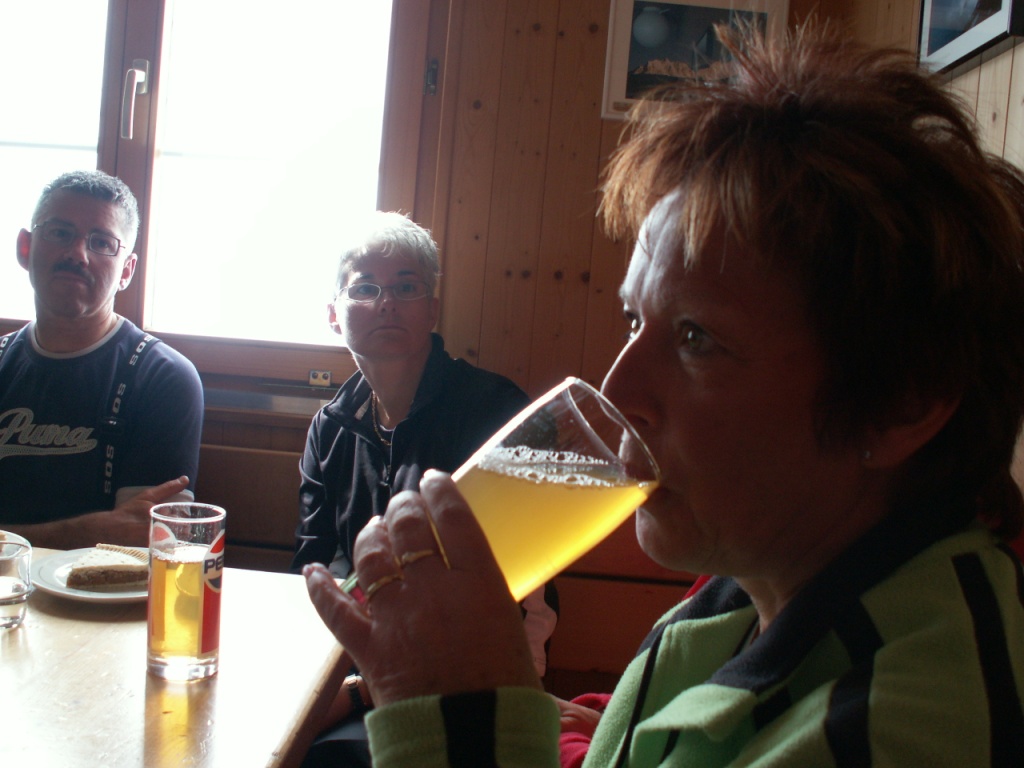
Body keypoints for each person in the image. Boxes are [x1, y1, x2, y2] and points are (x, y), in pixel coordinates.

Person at [303, 21, 1024, 767]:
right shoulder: (752, 584)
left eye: (696, 338)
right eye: (633, 319)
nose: (618, 388)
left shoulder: (895, 732)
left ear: (902, 401)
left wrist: (459, 726)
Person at [292, 211, 558, 766]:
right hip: (355, 666)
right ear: (334, 315)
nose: (386, 302)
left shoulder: (493, 409)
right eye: (365, 288)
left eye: (406, 287)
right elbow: (317, 563)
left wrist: (359, 691)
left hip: (476, 676)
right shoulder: (330, 426)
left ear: (432, 310)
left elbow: (515, 595)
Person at [0, 170, 203, 549]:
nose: (77, 254)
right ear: (24, 248)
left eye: (102, 243)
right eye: (59, 232)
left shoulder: (163, 377)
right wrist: (88, 532)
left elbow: (140, 549)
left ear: (126, 270)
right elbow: (109, 537)